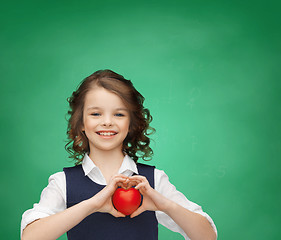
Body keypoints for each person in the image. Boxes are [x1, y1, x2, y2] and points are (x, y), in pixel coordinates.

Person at [21, 69, 217, 240]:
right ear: (80, 122)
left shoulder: (153, 181)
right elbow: (30, 237)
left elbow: (207, 236)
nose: (107, 122)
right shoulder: (62, 182)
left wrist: (165, 205)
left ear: (131, 123)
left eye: (119, 114)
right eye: (96, 114)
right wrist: (93, 204)